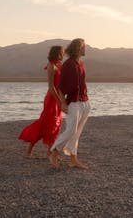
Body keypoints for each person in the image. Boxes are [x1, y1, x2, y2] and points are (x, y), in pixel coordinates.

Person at [49, 38, 90, 169]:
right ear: (78, 48)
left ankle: (73, 159)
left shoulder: (81, 63)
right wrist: (63, 103)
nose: (85, 49)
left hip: (84, 101)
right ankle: (53, 150)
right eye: (84, 46)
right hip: (73, 102)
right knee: (71, 130)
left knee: (77, 132)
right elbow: (61, 86)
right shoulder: (68, 64)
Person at [18, 45, 64, 156]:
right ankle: (30, 150)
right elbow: (51, 87)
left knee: (55, 123)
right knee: (46, 122)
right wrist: (58, 101)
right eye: (62, 52)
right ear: (57, 53)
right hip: (52, 98)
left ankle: (50, 151)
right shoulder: (51, 66)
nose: (63, 54)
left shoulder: (59, 65)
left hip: (58, 97)